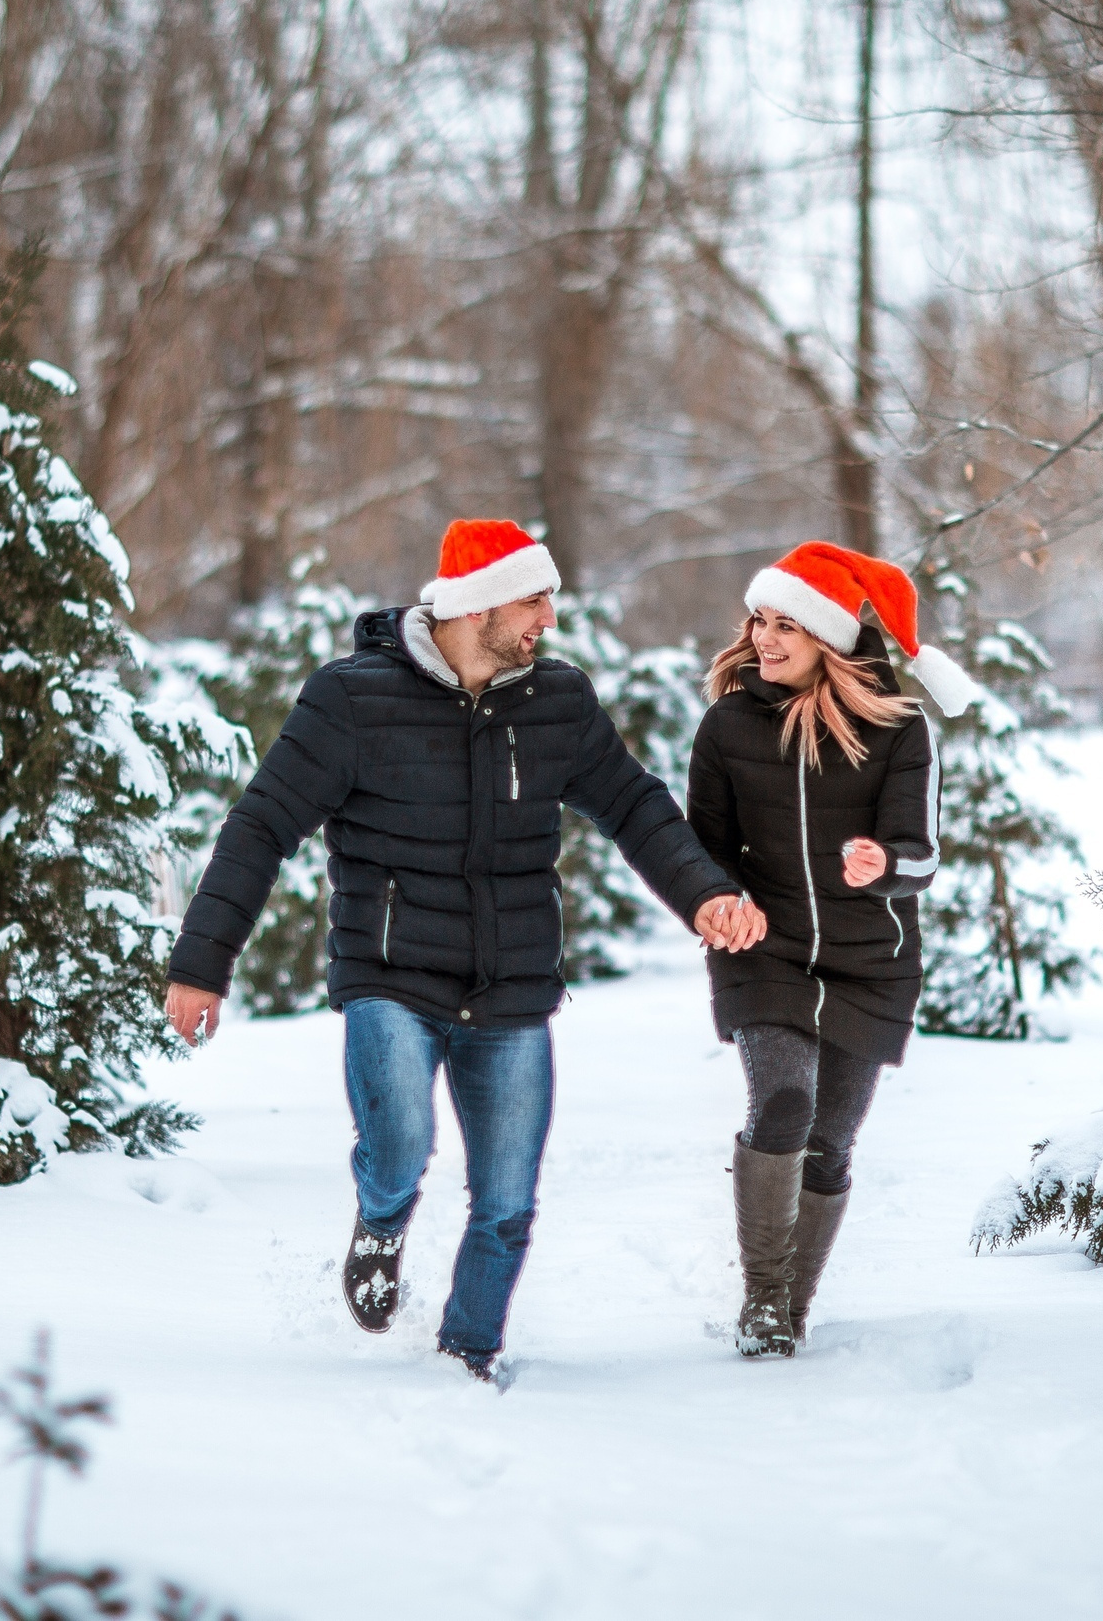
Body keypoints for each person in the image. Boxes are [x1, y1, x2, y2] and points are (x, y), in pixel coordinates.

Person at [164, 519, 768, 1382]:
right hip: (390, 976)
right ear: (475, 604)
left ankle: (467, 1355)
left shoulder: (556, 702)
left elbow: (635, 805)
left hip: (512, 988)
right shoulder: (351, 699)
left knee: (508, 1201)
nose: (549, 620)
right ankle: (382, 1221)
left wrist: (705, 894)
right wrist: (200, 965)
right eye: (533, 599)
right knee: (400, 1148)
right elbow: (261, 827)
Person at [686, 541, 977, 1359]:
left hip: (868, 961)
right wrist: (716, 904)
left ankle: (796, 1304)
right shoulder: (728, 724)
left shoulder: (899, 729)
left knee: (832, 1141)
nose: (765, 638)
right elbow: (701, 851)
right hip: (765, 953)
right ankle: (765, 1302)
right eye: (759, 620)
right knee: (782, 1105)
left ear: (828, 638)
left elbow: (920, 853)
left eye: (787, 625)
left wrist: (885, 866)